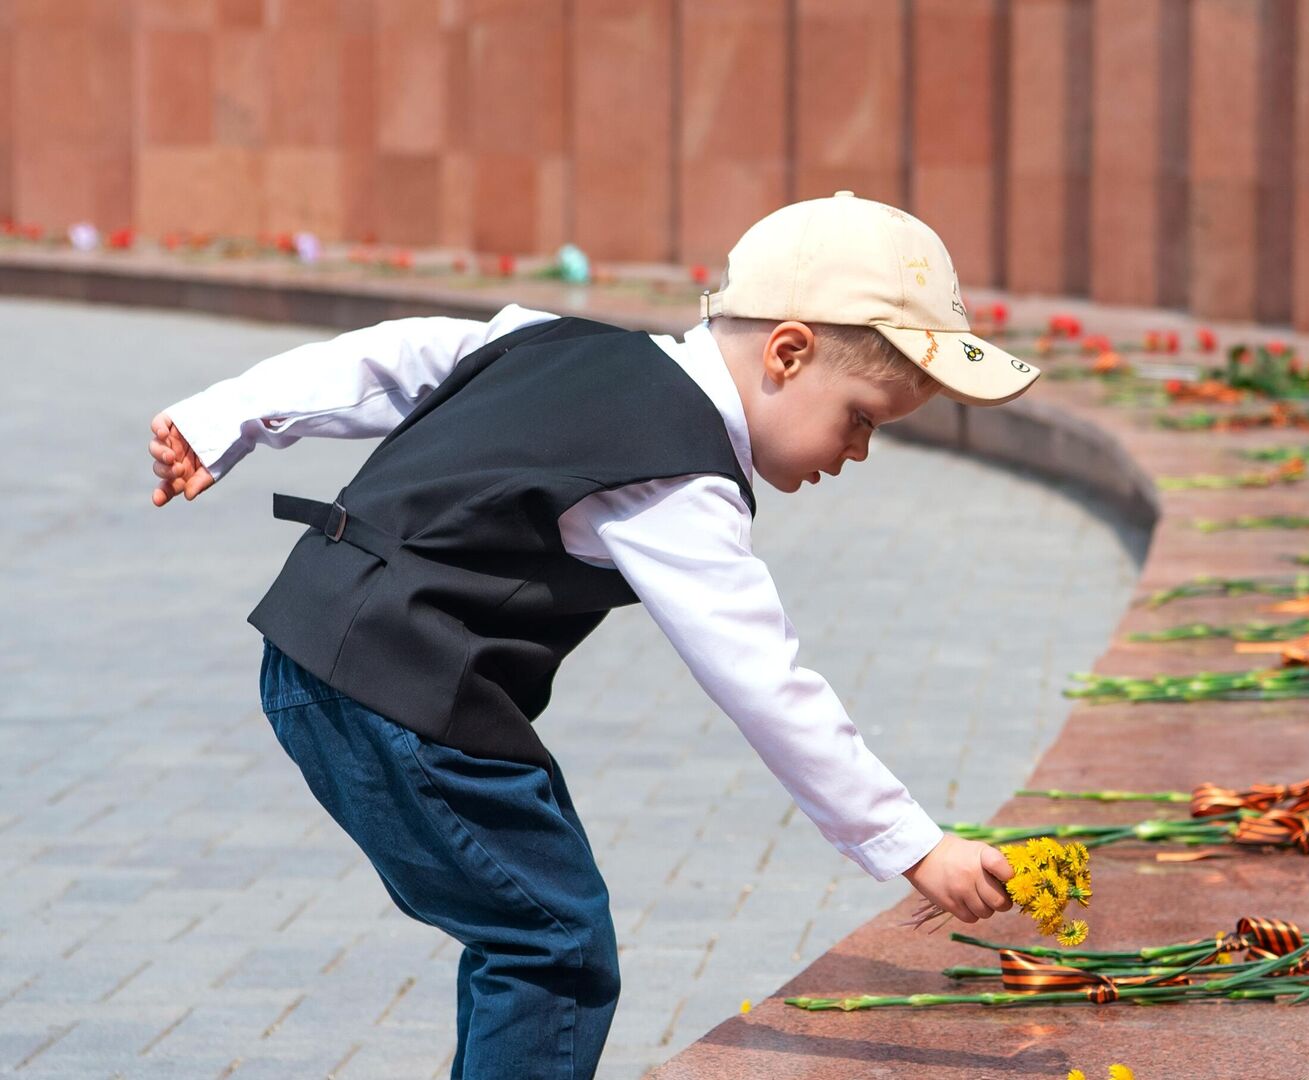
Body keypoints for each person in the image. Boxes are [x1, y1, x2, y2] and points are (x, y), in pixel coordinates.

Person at [147, 191, 1040, 1078]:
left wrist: (228, 415)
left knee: (533, 923)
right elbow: (766, 682)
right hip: (398, 686)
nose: (856, 453)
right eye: (862, 419)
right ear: (788, 352)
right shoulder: (679, 478)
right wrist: (913, 843)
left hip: (331, 652)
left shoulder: (552, 338)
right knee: (552, 946)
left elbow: (395, 357)